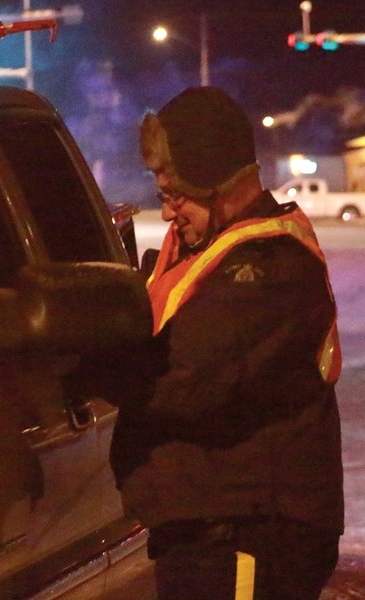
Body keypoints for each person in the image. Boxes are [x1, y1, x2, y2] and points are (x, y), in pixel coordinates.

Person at [68, 86, 344, 599]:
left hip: (248, 537)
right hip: (209, 534)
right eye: (162, 196)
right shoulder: (202, 250)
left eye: (177, 195)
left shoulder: (269, 269)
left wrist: (84, 364)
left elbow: (187, 382)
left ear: (220, 184)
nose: (169, 213)